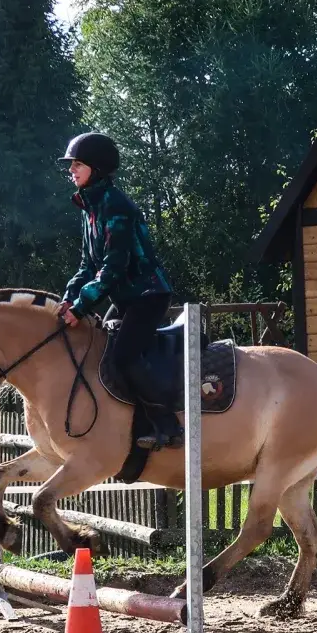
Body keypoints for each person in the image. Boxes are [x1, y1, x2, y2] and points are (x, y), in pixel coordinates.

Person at [57, 132, 182, 451]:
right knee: (101, 350)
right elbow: (87, 264)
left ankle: (169, 426)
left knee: (124, 356)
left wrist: (82, 307)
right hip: (127, 298)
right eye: (71, 165)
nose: (71, 170)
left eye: (77, 164)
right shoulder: (90, 208)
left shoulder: (116, 206)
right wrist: (68, 299)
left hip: (149, 295)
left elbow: (112, 268)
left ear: (96, 168)